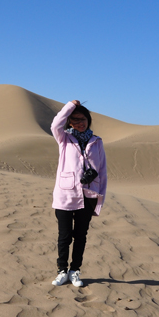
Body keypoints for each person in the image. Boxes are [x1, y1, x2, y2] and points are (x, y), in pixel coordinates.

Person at [50, 99, 107, 287]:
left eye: (82, 119)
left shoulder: (97, 142)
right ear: (69, 121)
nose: (79, 123)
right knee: (64, 236)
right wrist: (70, 106)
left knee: (80, 236)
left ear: (88, 120)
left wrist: (100, 196)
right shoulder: (63, 138)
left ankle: (75, 270)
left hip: (88, 194)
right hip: (65, 194)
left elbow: (102, 170)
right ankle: (62, 271)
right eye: (74, 120)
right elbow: (55, 124)